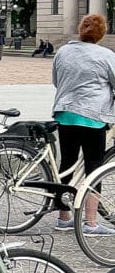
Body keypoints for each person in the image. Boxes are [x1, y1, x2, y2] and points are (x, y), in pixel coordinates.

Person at [53, 14, 115, 233]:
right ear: (102, 33)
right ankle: (91, 222)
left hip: (65, 114)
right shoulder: (106, 55)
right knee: (94, 167)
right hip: (92, 117)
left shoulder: (63, 51)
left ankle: (63, 216)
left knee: (66, 163)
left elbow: (56, 80)